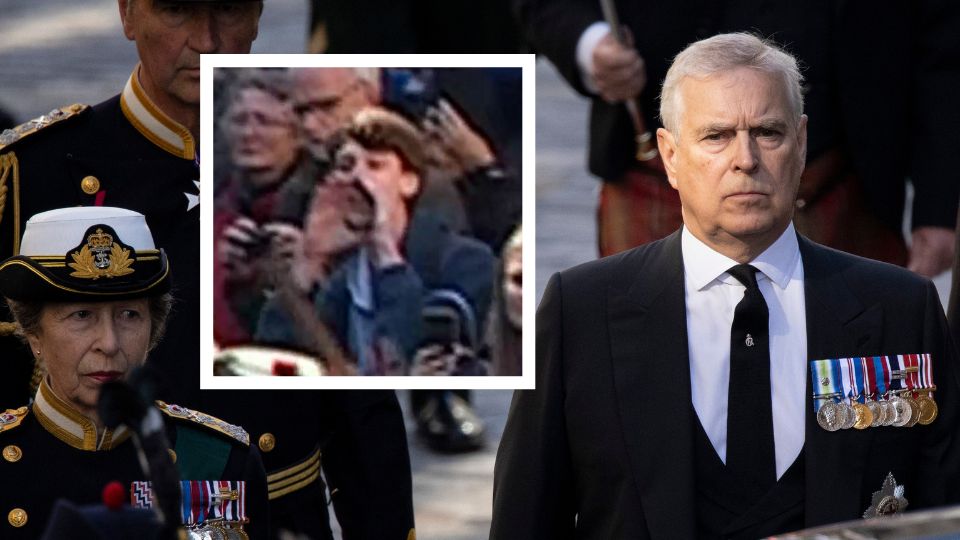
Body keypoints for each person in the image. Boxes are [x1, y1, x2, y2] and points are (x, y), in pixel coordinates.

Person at [491, 33, 960, 539]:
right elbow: (525, 520)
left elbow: (943, 515)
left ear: (801, 143)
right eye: (716, 136)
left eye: (768, 132)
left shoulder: (901, 309)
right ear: (670, 155)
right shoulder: (581, 314)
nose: (745, 159)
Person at [515, 0, 958, 272]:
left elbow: (944, 34)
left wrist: (939, 203)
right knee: (643, 375)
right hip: (653, 170)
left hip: (843, 176)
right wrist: (589, 44)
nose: (745, 159)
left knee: (850, 381)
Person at [0, 0, 264, 408]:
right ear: (127, 14)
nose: (206, 41)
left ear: (258, 15)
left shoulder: (326, 154)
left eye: (228, 9)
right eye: (177, 10)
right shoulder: (37, 170)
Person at [0, 207, 268, 539]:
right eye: (82, 315)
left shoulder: (220, 460)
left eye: (129, 315)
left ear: (153, 329)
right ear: (33, 334)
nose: (109, 343)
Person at [256, 107, 495, 375]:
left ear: (409, 182)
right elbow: (275, 361)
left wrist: (385, 254)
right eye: (346, 166)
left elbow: (416, 355)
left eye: (375, 166)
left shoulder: (465, 262)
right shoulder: (341, 279)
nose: (357, 177)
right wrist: (308, 261)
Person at [214, 70, 305, 344]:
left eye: (264, 121)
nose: (249, 133)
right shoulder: (214, 208)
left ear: (297, 134)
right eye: (239, 120)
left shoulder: (316, 209)